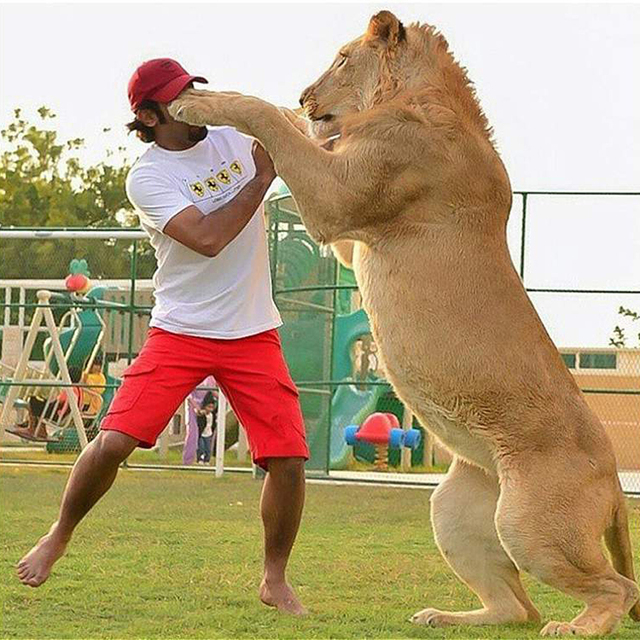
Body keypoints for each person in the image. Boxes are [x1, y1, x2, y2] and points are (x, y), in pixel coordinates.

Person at [17, 58, 309, 615]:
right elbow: (207, 238)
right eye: (178, 99)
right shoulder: (146, 176)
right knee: (115, 442)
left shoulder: (234, 135)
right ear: (149, 116)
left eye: (193, 91)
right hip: (181, 329)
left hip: (252, 328)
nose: (192, 104)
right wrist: (263, 178)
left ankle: (274, 578)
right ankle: (59, 533)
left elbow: (305, 127)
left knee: (289, 458)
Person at [196, 399, 217, 464]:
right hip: (202, 434)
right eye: (209, 407)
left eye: (212, 407)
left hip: (209, 433)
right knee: (201, 447)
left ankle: (207, 460)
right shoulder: (202, 414)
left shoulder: (212, 415)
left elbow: (213, 424)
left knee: (208, 448)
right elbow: (197, 414)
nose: (210, 409)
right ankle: (200, 459)